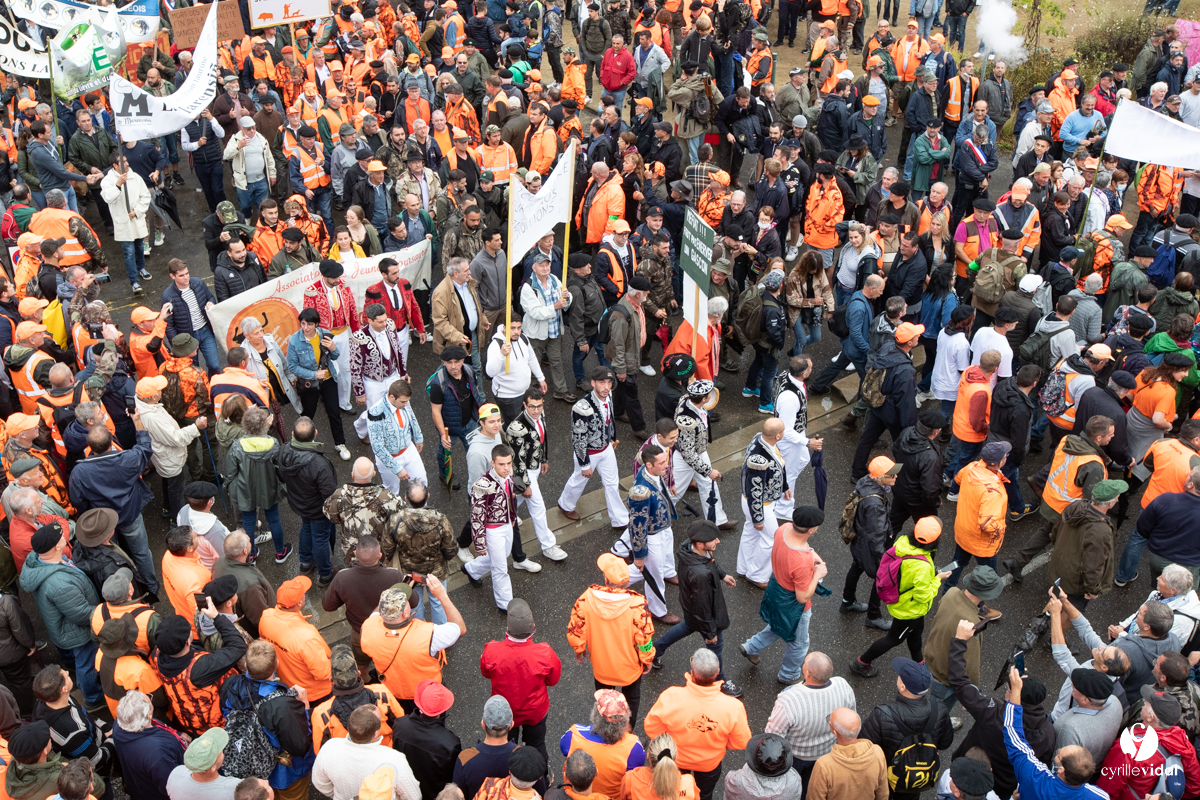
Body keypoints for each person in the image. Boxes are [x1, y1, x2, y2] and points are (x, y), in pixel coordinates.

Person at [948, 620, 1056, 800]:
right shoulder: (1048, 732)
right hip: (1004, 788)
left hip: (968, 776)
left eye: (1009, 689)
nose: (1006, 692)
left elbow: (959, 681)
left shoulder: (993, 714)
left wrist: (959, 640)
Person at [650, 520, 742, 698]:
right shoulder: (699, 573)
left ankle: (655, 651)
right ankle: (720, 680)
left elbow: (711, 562)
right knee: (716, 645)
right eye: (713, 539)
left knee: (687, 626)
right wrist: (710, 632)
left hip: (691, 608)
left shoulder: (691, 550)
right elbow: (703, 606)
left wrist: (722, 575)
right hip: (705, 614)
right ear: (700, 543)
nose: (718, 541)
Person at [644, 649, 751, 800]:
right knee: (704, 795)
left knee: (675, 794)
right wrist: (720, 742)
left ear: (692, 672)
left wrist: (671, 738)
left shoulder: (671, 696)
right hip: (709, 765)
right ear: (717, 672)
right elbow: (741, 742)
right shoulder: (733, 706)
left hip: (676, 761)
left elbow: (651, 727)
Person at [850, 517, 947, 679]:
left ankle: (919, 663)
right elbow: (922, 596)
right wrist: (937, 580)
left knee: (916, 632)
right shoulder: (921, 565)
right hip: (909, 608)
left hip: (908, 603)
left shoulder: (903, 542)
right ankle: (861, 662)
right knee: (893, 639)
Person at [20, 525, 103, 710]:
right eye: (61, 537)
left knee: (69, 655)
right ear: (57, 547)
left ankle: (70, 665)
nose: (65, 536)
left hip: (58, 628)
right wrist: (105, 612)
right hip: (77, 634)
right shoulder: (60, 584)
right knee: (87, 665)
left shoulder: (36, 559)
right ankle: (93, 698)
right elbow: (81, 614)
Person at [739, 507, 826, 685]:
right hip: (793, 604)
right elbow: (802, 597)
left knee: (778, 625)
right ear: (811, 530)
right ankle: (789, 675)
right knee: (799, 642)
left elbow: (802, 546)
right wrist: (817, 574)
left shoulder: (784, 528)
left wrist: (811, 553)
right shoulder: (801, 562)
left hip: (777, 589)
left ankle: (751, 647)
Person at [567, 554, 656, 724]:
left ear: (606, 580)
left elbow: (576, 629)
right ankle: (627, 734)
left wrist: (579, 649)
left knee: (604, 703)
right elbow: (645, 639)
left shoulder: (586, 598)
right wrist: (648, 659)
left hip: (601, 667)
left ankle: (605, 731)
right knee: (631, 701)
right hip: (629, 668)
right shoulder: (637, 604)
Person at [360, 581, 466, 712]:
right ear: (405, 613)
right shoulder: (429, 634)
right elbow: (460, 628)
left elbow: (375, 614)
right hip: (426, 694)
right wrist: (442, 595)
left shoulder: (368, 627)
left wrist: (391, 598)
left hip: (393, 691)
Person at [925, 566, 1004, 716]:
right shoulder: (971, 622)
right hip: (945, 678)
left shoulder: (951, 592)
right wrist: (972, 694)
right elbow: (970, 663)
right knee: (937, 714)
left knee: (931, 705)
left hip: (932, 660)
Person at [849, 321, 922, 479]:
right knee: (902, 446)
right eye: (916, 335)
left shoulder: (888, 347)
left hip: (878, 403)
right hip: (892, 410)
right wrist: (909, 426)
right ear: (909, 342)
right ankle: (900, 477)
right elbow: (906, 402)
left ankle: (857, 472)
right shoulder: (906, 371)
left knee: (867, 439)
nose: (919, 336)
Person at [558, 367, 630, 526]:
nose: (606, 387)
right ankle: (565, 504)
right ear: (592, 383)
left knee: (612, 484)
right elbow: (578, 438)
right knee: (579, 480)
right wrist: (584, 464)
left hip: (606, 449)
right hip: (589, 453)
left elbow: (610, 419)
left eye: (609, 382)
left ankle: (620, 520)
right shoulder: (581, 407)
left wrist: (612, 438)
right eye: (601, 382)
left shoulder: (608, 395)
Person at [311, 705, 421, 800]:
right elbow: (413, 796)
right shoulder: (394, 759)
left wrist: (341, 795)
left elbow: (319, 783)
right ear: (376, 733)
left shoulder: (330, 747)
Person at [225, 407, 291, 564]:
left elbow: (231, 471)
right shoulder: (273, 443)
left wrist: (227, 486)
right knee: (273, 518)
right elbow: (279, 469)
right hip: (269, 487)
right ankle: (280, 552)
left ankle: (251, 554)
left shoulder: (237, 446)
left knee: (248, 520)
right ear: (265, 425)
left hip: (245, 489)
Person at [1046, 481, 1125, 610]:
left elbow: (1054, 532)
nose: (1117, 500)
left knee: (1055, 599)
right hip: (1076, 582)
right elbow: (1093, 564)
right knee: (1069, 612)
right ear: (1110, 503)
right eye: (1117, 497)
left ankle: (1038, 626)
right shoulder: (1101, 530)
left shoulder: (1075, 506)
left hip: (1059, 566)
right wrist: (1093, 589)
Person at [286, 307, 350, 461]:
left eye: (309, 324)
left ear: (316, 324)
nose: (305, 328)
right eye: (302, 324)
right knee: (308, 415)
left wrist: (333, 348)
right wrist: (314, 374)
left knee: (334, 413)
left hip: (328, 380)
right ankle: (305, 444)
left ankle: (340, 443)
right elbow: (293, 367)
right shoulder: (295, 341)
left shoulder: (324, 334)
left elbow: (334, 356)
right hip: (309, 383)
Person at [737, 419, 790, 588]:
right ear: (777, 435)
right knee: (771, 538)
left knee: (750, 533)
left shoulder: (760, 439)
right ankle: (757, 575)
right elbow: (755, 491)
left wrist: (784, 486)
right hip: (760, 505)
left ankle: (744, 568)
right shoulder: (759, 459)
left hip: (758, 503)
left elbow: (779, 466)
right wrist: (758, 517)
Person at [560, 690, 644, 797]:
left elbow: (564, 749)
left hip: (573, 795)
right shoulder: (634, 747)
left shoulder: (573, 735)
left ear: (595, 715)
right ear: (626, 718)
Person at [112, 692, 184, 800]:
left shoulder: (119, 724)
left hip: (139, 786)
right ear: (148, 715)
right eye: (149, 699)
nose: (151, 699)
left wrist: (178, 735)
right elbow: (174, 787)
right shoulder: (157, 753)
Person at [805, 709, 888, 800]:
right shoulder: (877, 752)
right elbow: (882, 793)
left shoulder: (824, 765)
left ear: (835, 732)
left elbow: (814, 797)